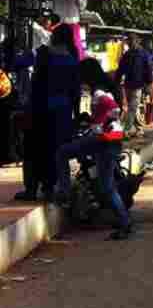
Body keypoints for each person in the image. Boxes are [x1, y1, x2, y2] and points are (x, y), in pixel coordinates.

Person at [55, 59, 133, 239]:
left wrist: (99, 125)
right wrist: (93, 121)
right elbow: (110, 111)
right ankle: (123, 220)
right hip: (109, 140)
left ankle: (65, 192)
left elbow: (112, 109)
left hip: (103, 141)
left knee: (63, 153)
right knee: (106, 186)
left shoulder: (98, 92)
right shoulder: (105, 89)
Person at [30, 25, 81, 201]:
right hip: (64, 110)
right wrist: (76, 113)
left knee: (41, 148)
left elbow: (36, 83)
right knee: (59, 150)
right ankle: (59, 187)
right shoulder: (72, 58)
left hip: (43, 108)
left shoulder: (44, 55)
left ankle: (44, 186)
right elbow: (76, 92)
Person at [115, 35, 153, 138]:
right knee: (133, 108)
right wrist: (116, 81)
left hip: (139, 85)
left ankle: (126, 130)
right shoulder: (127, 54)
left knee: (132, 107)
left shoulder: (144, 54)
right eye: (129, 42)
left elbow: (148, 69)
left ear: (137, 41)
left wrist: (149, 84)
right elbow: (120, 68)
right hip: (128, 85)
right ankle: (139, 129)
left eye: (132, 41)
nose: (130, 43)